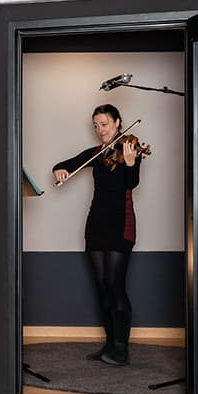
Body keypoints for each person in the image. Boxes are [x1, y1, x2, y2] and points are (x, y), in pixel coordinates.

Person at [52, 104, 142, 366]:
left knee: (115, 286)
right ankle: (109, 344)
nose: (100, 129)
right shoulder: (96, 154)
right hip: (96, 225)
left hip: (120, 224)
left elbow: (132, 183)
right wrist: (60, 169)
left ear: (117, 123)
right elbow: (64, 164)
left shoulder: (130, 148)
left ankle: (121, 349)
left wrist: (131, 163)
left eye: (104, 124)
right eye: (96, 125)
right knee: (102, 287)